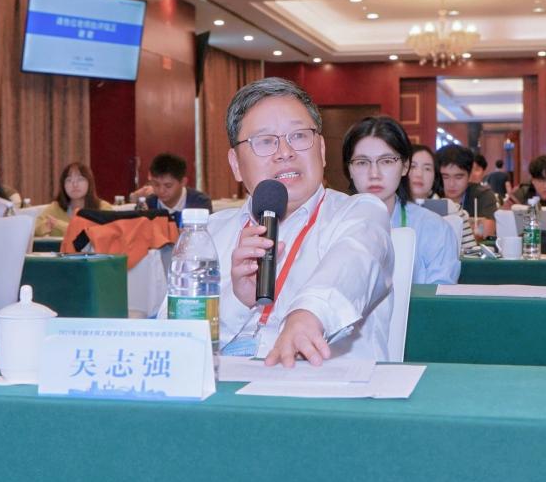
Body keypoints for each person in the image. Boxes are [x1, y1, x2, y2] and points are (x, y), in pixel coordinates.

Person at [215, 77, 393, 366]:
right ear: (235, 164)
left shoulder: (360, 213)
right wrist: (237, 301)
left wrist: (308, 315)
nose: (285, 152)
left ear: (321, 150)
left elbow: (353, 261)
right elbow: (178, 340)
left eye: (298, 136)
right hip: (224, 388)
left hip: (324, 387)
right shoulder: (209, 233)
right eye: (265, 141)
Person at [343, 117, 458, 285]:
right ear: (349, 169)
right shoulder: (330, 226)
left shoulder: (435, 229)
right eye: (362, 162)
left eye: (386, 161)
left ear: (405, 166)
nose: (374, 174)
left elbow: (438, 297)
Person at [409, 143, 479, 257]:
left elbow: (472, 256)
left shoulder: (452, 210)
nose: (419, 174)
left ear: (435, 176)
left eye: (427, 168)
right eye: (412, 167)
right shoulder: (389, 208)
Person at [34, 162, 112, 237]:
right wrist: (45, 226)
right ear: (63, 185)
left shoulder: (102, 207)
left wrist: (58, 224)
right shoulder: (55, 207)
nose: (74, 184)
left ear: (89, 183)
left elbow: (96, 233)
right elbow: (34, 229)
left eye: (80, 179)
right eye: (69, 180)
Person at [437, 144, 498, 238]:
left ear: (469, 176)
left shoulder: (482, 195)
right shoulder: (431, 197)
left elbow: (487, 231)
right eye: (445, 177)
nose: (451, 184)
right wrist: (471, 225)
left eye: (458, 177)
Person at [130, 152, 212, 213]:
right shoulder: (147, 204)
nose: (161, 191)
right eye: (156, 184)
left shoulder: (199, 203)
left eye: (168, 186)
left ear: (183, 182)